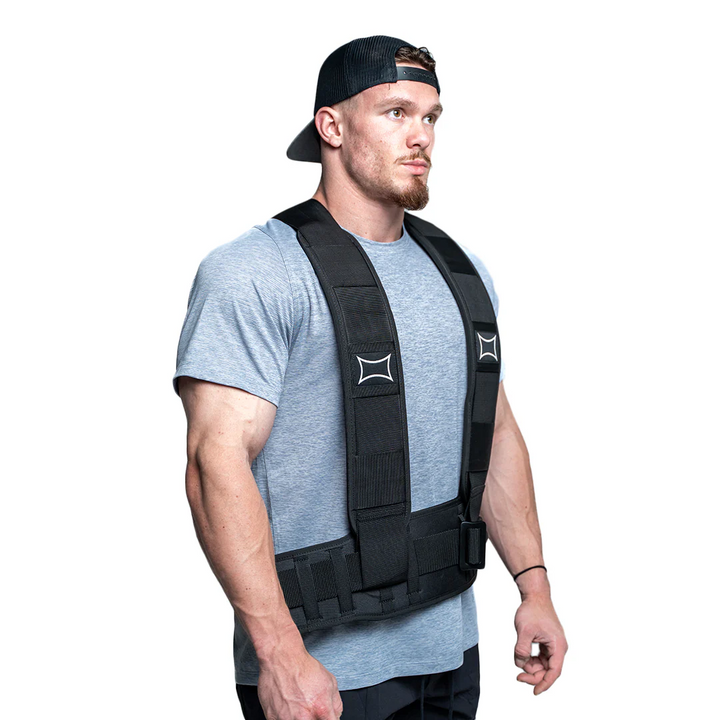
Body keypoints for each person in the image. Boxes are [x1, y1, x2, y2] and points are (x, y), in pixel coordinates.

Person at [173, 35, 567, 720]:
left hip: (450, 653)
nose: (421, 136)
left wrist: (534, 587)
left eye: (430, 117)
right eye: (395, 113)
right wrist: (280, 655)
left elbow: (494, 432)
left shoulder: (461, 272)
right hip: (321, 670)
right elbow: (216, 463)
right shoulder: (256, 271)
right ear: (331, 126)